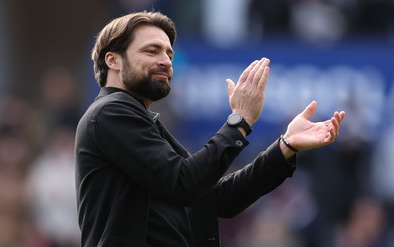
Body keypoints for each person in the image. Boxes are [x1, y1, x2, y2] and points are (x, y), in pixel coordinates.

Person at [74, 11, 345, 247]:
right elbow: (185, 183)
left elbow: (217, 199)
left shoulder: (137, 119)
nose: (167, 61)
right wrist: (239, 121)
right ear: (113, 60)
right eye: (151, 51)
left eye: (169, 53)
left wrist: (286, 145)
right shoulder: (110, 111)